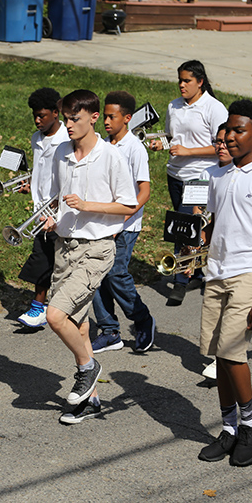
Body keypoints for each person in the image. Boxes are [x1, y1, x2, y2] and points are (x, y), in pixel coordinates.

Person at [197, 100, 252, 467]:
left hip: (246, 274)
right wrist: (199, 245)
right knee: (219, 354)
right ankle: (230, 427)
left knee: (233, 353)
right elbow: (216, 224)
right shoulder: (219, 175)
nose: (229, 137)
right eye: (227, 130)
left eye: (238, 131)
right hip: (215, 273)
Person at [42, 89, 137, 424]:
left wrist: (88, 205)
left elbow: (129, 205)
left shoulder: (111, 157)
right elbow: (58, 198)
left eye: (75, 119)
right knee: (79, 325)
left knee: (55, 315)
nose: (68, 125)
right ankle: (89, 397)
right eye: (65, 118)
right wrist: (53, 218)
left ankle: (88, 366)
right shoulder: (61, 153)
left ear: (94, 118)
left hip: (97, 248)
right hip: (64, 247)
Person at [150, 60, 228, 306]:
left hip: (200, 176)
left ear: (200, 82)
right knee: (189, 227)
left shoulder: (214, 108)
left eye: (187, 81)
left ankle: (180, 282)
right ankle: (196, 270)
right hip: (174, 175)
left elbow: (221, 147)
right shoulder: (174, 106)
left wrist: (188, 151)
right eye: (180, 81)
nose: (182, 85)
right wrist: (162, 144)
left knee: (183, 227)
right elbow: (171, 136)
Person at [90, 91, 156, 353]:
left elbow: (145, 191)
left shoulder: (135, 148)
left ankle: (142, 318)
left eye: (111, 117)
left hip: (126, 226)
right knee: (96, 275)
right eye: (104, 116)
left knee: (116, 272)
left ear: (127, 118)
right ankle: (109, 331)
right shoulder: (103, 144)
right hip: (102, 222)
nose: (106, 121)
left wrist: (125, 216)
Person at [16, 88, 70, 328]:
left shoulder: (66, 140)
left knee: (47, 258)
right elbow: (41, 171)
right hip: (40, 210)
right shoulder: (36, 138)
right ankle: (44, 307)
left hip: (59, 209)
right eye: (34, 116)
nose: (37, 120)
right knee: (46, 257)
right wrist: (31, 186)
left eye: (42, 115)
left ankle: (40, 307)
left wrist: (59, 204)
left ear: (56, 113)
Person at [198, 123, 231, 381]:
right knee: (216, 312)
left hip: (240, 257)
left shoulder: (243, 174)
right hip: (217, 254)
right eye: (217, 142)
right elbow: (207, 213)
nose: (220, 146)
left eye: (225, 141)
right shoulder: (210, 173)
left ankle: (224, 360)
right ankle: (224, 358)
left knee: (232, 313)